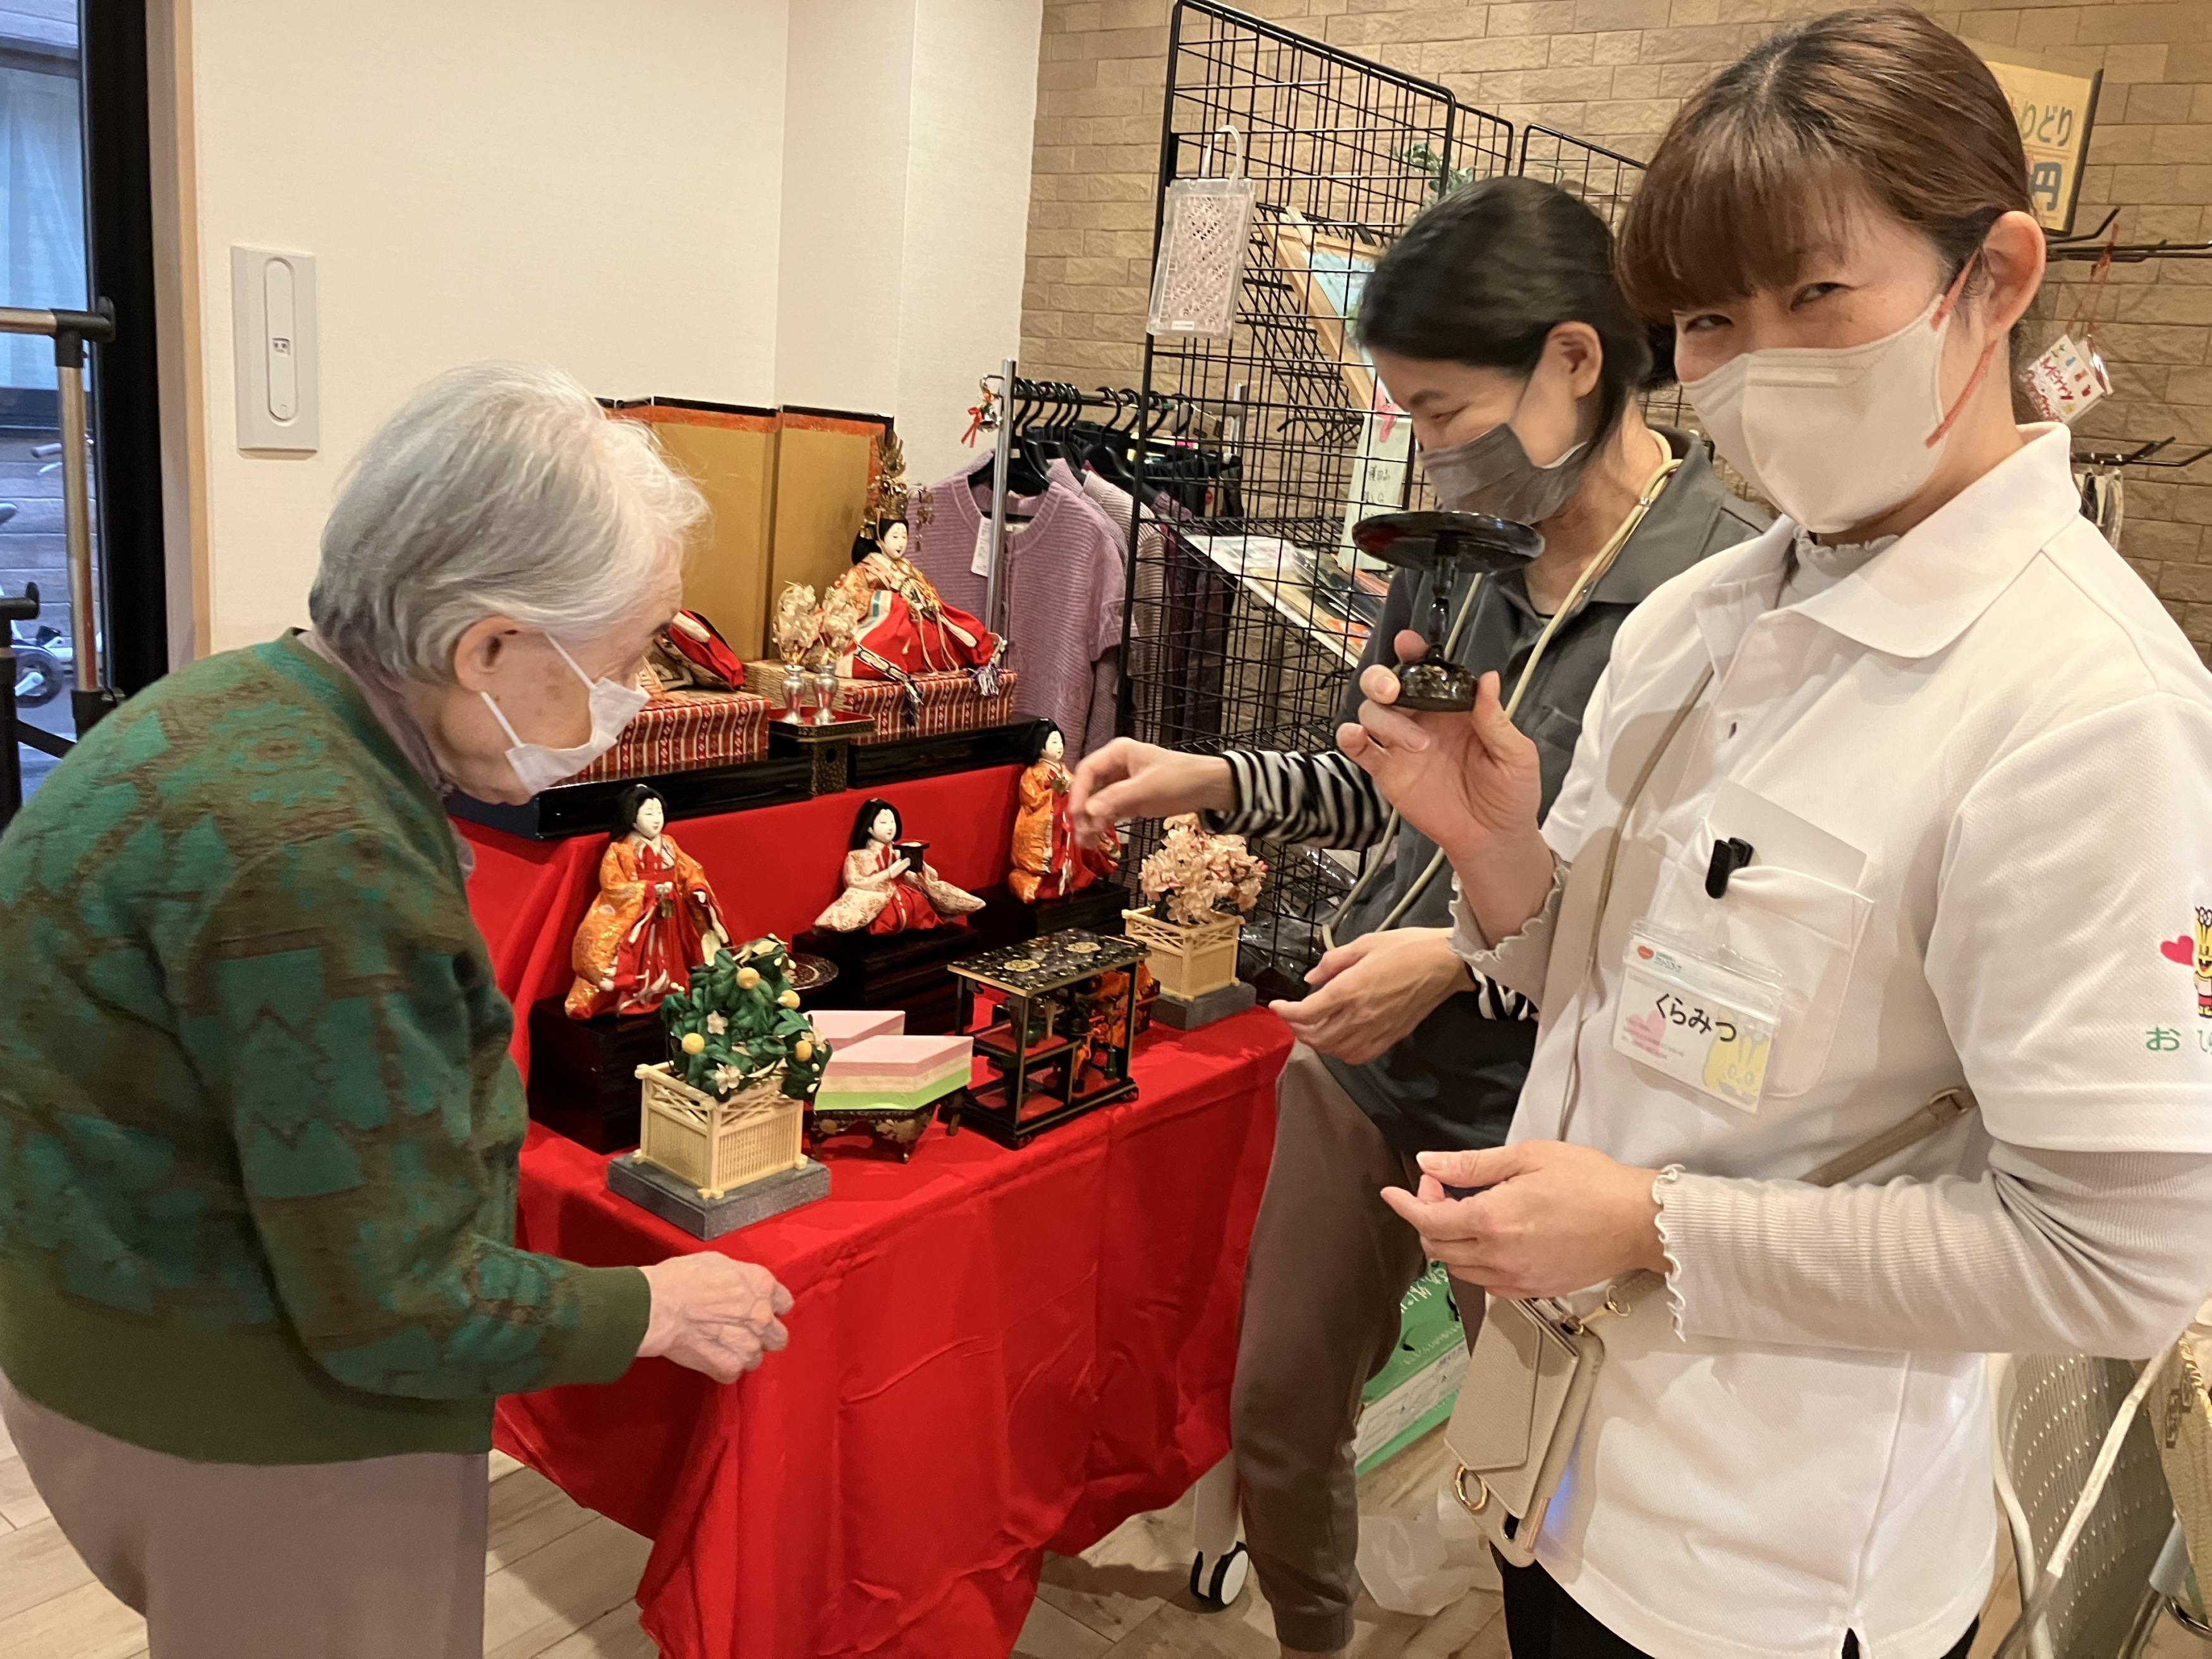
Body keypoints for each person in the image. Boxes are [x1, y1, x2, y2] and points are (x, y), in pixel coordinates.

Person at [1343, 13, 2212, 1658]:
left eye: (1814, 296)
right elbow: (1594, 971)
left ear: (1992, 279)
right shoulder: (1696, 617)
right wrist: (1495, 855)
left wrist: (1650, 1224)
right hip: (1558, 1475)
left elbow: (2115, 1260)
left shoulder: (2091, 711)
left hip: (1776, 1574)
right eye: (1707, 321)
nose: (1752, 365)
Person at [1069, 175, 1766, 1658]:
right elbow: (1382, 784)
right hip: (1358, 1066)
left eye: (1444, 409)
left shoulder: (1723, 593)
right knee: (1279, 1405)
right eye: (1409, 413)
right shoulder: (1456, 563)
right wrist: (1215, 777)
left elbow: (1702, 911)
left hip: (1551, 1111)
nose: (1429, 449)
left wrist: (1452, 963)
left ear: (1574, 359)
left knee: (1557, 1453)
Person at [0, 363, 795, 1659]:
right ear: (487, 647)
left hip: (99, 1338)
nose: (642, 693)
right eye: (624, 657)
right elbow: (394, 1302)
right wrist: (654, 1308)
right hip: (261, 1427)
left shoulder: (230, 706)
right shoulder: (321, 859)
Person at [565, 783, 732, 1019]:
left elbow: (689, 870)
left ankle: (672, 989)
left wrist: (697, 888)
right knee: (642, 956)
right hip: (642, 913)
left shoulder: (669, 844)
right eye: (649, 813)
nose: (657, 819)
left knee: (672, 952)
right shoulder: (620, 850)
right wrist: (648, 890)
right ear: (632, 817)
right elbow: (612, 885)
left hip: (671, 909)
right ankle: (640, 993)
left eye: (659, 812)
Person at [814, 796, 986, 933]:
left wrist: (916, 865)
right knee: (883, 914)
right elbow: (854, 883)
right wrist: (889, 873)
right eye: (883, 823)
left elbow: (930, 876)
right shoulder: (858, 856)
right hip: (880, 898)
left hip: (906, 894)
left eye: (892, 822)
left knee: (920, 903)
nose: (890, 827)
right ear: (869, 827)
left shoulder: (900, 850)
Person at [1008, 719, 1121, 902]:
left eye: (1061, 741)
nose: (1060, 746)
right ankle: (1048, 882)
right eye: (1054, 742)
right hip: (1050, 825)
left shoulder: (1063, 769)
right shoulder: (1033, 773)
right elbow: (1032, 800)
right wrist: (1057, 795)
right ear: (1040, 745)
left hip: (1068, 824)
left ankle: (1072, 877)